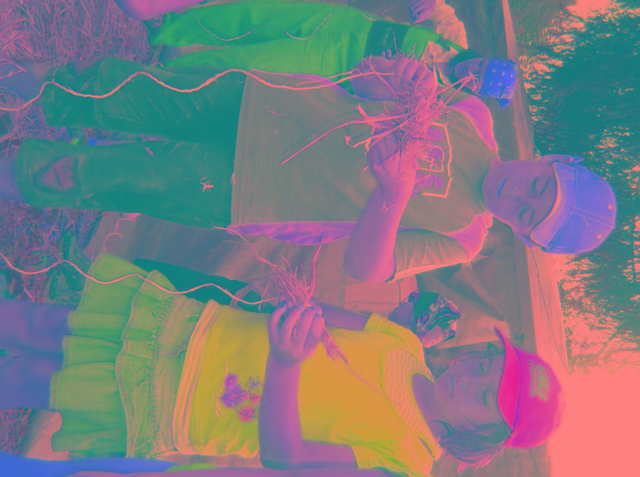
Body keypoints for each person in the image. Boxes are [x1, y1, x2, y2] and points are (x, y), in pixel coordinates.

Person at [0, 51, 616, 282]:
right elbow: (365, 84)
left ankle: (19, 172)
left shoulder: (462, 238)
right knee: (133, 88)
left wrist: (392, 196)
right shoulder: (474, 115)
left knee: (112, 177)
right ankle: (26, 89)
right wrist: (398, 76)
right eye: (540, 185)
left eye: (528, 215)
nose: (518, 196)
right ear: (550, 159)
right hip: (263, 100)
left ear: (521, 236)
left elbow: (365, 268)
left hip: (248, 192)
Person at [0, 252, 564, 477]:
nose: (470, 376)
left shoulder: (406, 458)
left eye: (484, 397)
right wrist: (293, 294)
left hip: (172, 402)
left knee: (35, 380)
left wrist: (285, 364)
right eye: (486, 363)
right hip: (185, 327)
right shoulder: (402, 343)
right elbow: (308, 312)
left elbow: (284, 457)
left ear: (484, 436)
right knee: (46, 323)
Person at [113, 0, 515, 107]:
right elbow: (436, 5)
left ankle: (168, 72)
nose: (470, 71)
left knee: (250, 64)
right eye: (479, 65)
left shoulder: (439, 103)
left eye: (476, 80)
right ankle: (168, 25)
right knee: (256, 16)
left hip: (336, 65)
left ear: (474, 92)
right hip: (346, 24)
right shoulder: (454, 36)